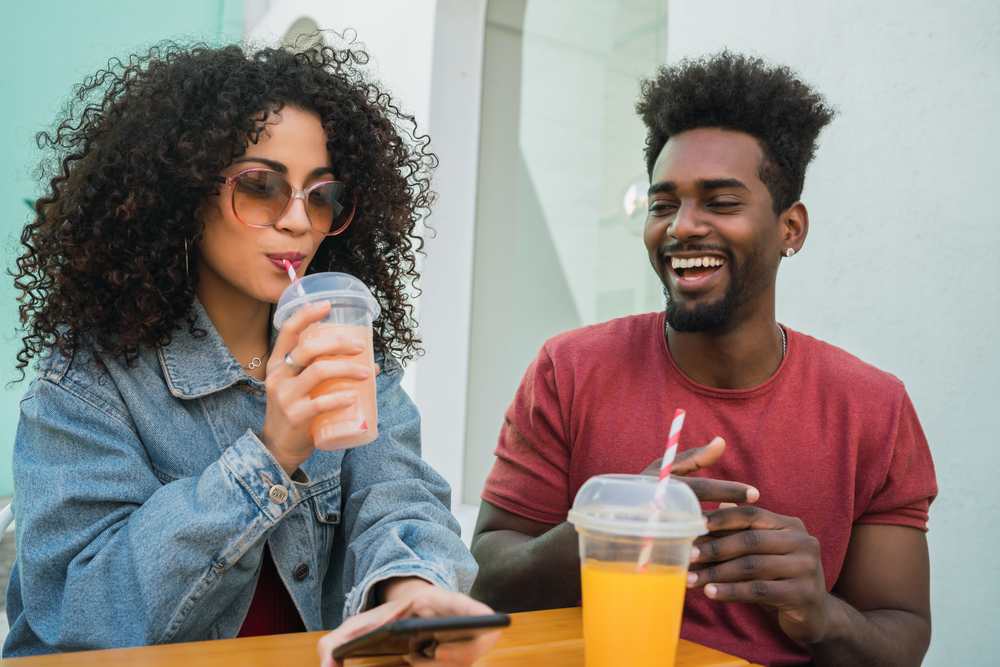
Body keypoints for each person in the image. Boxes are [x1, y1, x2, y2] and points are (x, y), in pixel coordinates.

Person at [4, 41, 499, 665]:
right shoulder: (87, 383)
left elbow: (395, 497)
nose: (298, 220)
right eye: (262, 186)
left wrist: (413, 589)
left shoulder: (339, 347)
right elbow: (79, 613)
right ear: (184, 191)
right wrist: (272, 454)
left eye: (322, 195)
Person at [469, 51, 937, 667]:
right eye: (664, 204)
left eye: (720, 201)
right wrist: (604, 528)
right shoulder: (572, 370)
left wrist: (822, 613)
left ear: (790, 228)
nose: (682, 227)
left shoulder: (872, 408)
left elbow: (901, 637)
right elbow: (488, 582)